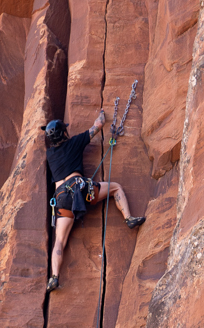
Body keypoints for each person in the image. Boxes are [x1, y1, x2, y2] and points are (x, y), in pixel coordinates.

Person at [42, 110, 145, 292]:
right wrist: (102, 114)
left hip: (61, 199)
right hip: (81, 190)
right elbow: (98, 125)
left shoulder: (50, 155)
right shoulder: (75, 142)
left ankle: (54, 277)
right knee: (116, 187)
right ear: (64, 133)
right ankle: (128, 218)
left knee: (59, 241)